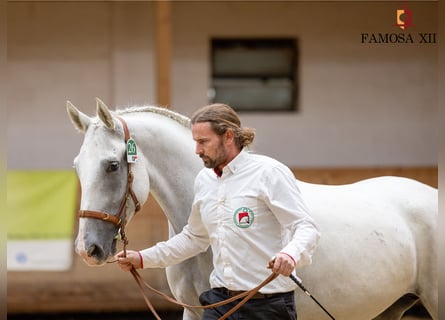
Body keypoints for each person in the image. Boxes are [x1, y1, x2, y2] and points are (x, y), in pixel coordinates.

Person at [116, 103, 320, 320]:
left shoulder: (269, 173)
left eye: (203, 142)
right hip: (220, 302)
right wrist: (143, 257)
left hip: (268, 306)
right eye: (196, 142)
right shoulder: (205, 181)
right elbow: (194, 238)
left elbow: (306, 227)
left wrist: (290, 254)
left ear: (229, 136)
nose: (197, 150)